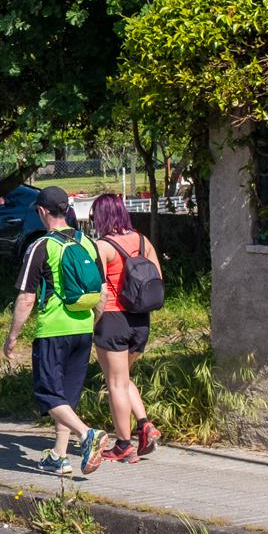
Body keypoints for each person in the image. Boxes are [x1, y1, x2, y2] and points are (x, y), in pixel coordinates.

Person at [4, 186, 107, 475]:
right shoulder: (88, 242)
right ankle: (59, 456)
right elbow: (102, 292)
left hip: (53, 330)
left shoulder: (41, 246)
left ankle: (88, 435)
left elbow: (26, 298)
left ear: (41, 212)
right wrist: (93, 324)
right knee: (66, 397)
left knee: (48, 394)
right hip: (83, 326)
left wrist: (12, 337)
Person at [91, 192, 163, 463]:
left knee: (115, 383)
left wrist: (92, 322)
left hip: (112, 320)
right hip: (141, 320)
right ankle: (144, 425)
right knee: (124, 378)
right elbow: (156, 278)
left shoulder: (102, 246)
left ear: (101, 217)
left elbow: (97, 290)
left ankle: (123, 445)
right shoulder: (144, 241)